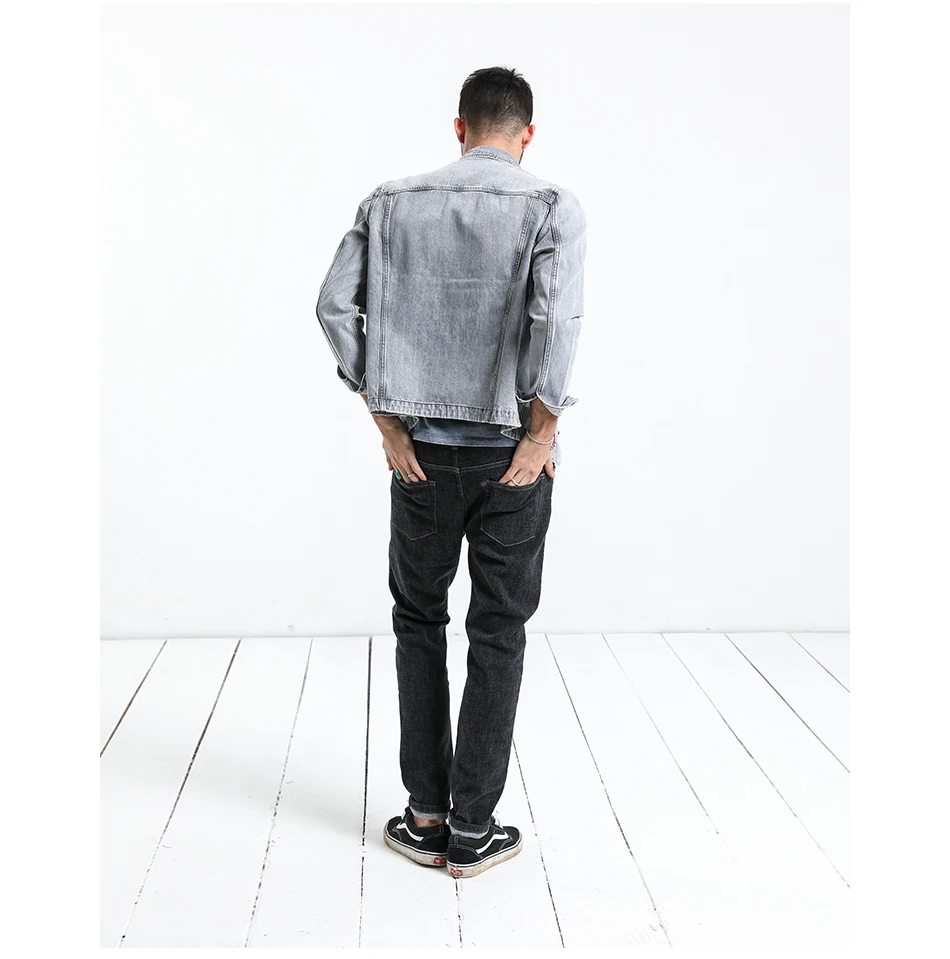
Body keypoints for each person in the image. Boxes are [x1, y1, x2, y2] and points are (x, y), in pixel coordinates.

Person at [315, 65, 587, 879]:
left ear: (460, 128)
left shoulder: (389, 201)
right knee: (498, 631)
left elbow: (333, 307)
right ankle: (472, 830)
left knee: (418, 621)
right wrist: (540, 435)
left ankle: (426, 813)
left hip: (420, 457)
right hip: (512, 456)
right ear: (526, 134)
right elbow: (555, 322)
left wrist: (387, 417)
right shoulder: (552, 205)